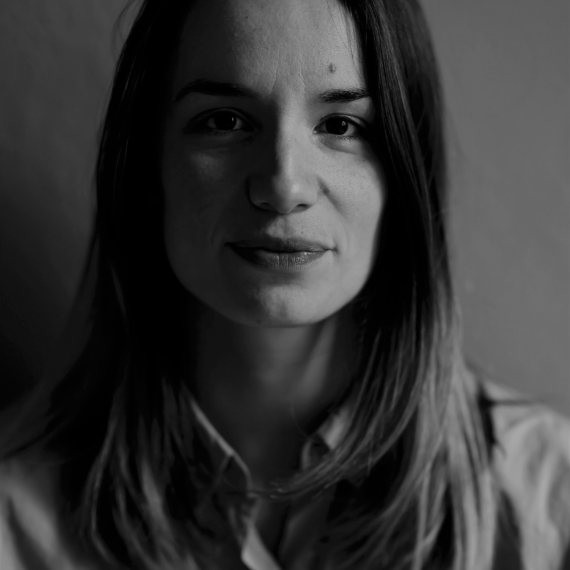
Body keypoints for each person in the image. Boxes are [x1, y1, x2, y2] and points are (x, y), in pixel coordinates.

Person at [1, 0, 569, 568]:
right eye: (224, 121)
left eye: (340, 125)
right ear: (149, 168)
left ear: (404, 177)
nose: (283, 185)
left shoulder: (551, 506)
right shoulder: (15, 521)